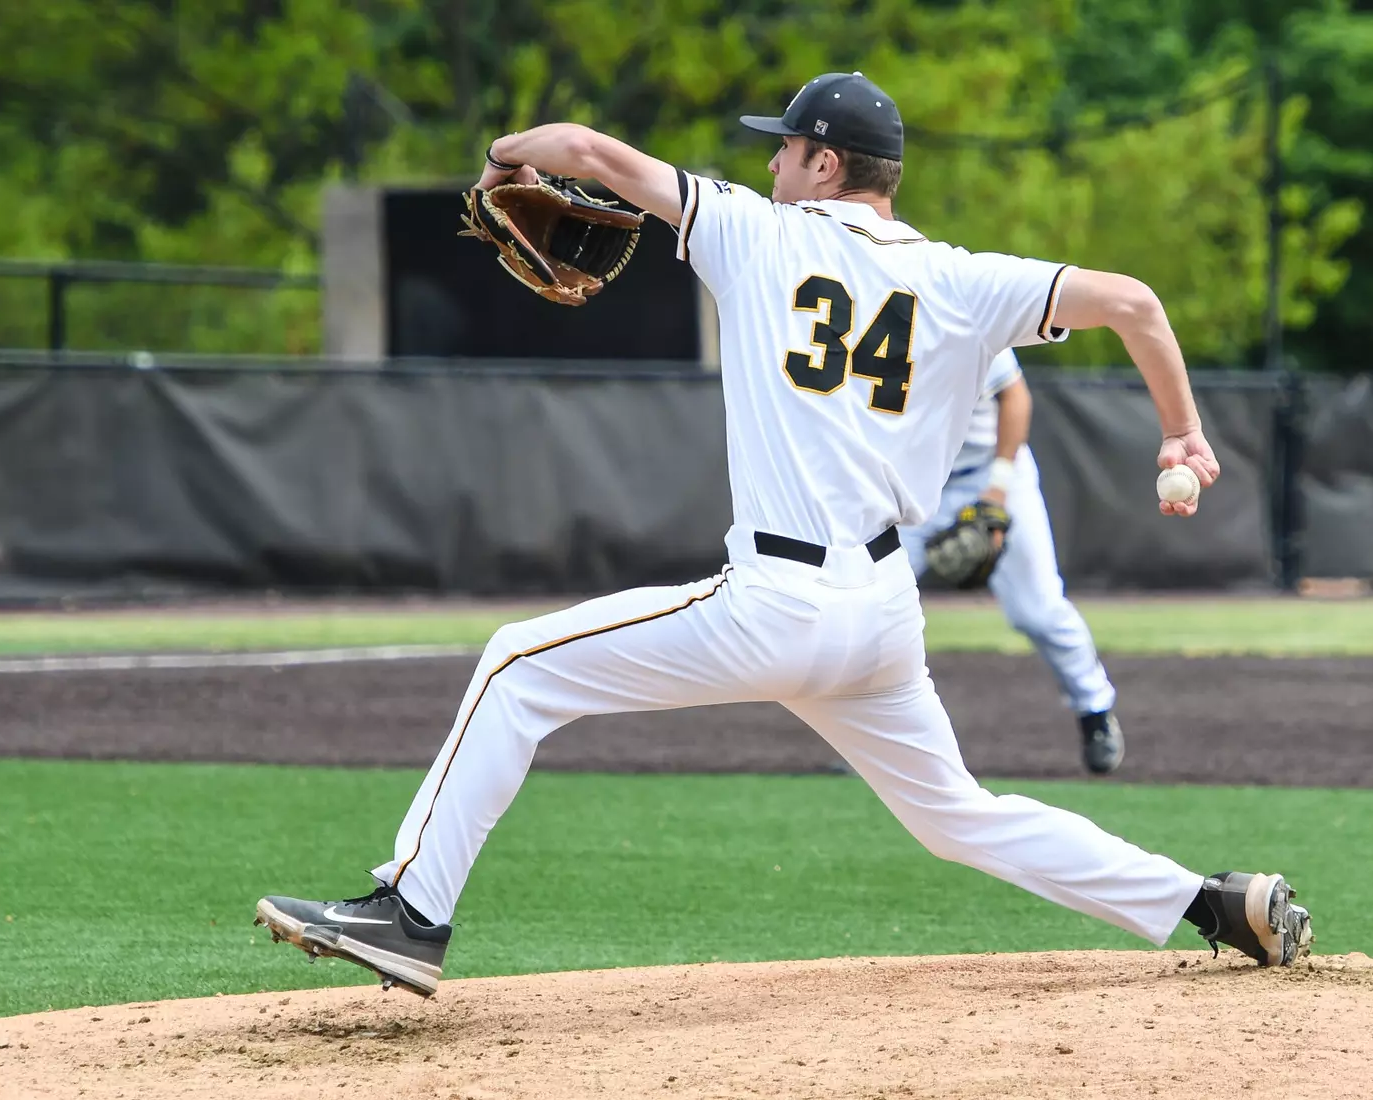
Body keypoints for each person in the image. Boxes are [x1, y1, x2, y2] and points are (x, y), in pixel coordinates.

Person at [255, 72, 1312, 997]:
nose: (767, 162)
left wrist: (494, 158)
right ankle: (1213, 903)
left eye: (783, 146)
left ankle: (410, 915)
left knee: (514, 664)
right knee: (957, 816)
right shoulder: (959, 277)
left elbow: (578, 151)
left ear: (824, 161)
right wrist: (1184, 435)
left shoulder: (754, 232)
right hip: (884, 618)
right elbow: (1133, 299)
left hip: (775, 601)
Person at [901, 350, 1125, 773]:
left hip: (992, 474)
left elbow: (1015, 396)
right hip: (911, 485)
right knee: (871, 604)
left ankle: (1095, 710)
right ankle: (870, 738)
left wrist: (997, 493)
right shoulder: (869, 317)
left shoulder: (961, 307)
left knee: (1038, 612)